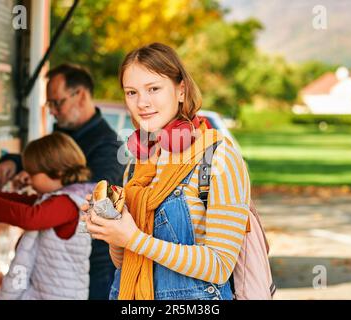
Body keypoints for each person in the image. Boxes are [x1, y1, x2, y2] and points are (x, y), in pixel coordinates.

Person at [83, 43, 251, 300]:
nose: (142, 102)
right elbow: (123, 262)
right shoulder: (138, 165)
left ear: (181, 90)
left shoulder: (217, 157)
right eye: (131, 92)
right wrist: (112, 227)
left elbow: (219, 266)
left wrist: (134, 238)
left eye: (154, 89)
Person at [0, 64, 126, 299]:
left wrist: (44, 180)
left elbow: (89, 200)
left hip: (92, 268)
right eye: (50, 105)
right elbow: (47, 165)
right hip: (55, 266)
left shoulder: (109, 147)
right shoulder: (68, 133)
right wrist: (15, 162)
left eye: (57, 103)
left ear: (81, 95)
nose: (53, 111)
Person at [0, 132, 93, 299]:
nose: (28, 179)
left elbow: (30, 217)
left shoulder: (67, 203)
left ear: (57, 172)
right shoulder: (60, 198)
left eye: (32, 174)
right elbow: (27, 202)